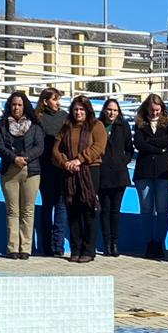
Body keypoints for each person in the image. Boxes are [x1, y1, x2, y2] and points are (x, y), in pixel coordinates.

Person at [52, 95, 107, 262]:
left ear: (87, 110)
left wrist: (80, 160)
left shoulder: (96, 125)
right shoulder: (66, 127)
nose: (78, 112)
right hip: (69, 172)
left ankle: (89, 250)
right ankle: (76, 249)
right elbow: (56, 150)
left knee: (88, 210)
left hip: (90, 171)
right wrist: (65, 162)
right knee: (73, 210)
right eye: (76, 109)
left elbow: (98, 146)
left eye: (82, 109)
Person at [0, 90, 44, 260]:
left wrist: (25, 158)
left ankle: (25, 249)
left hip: (31, 172)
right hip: (9, 171)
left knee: (28, 210)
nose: (16, 108)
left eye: (20, 105)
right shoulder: (2, 126)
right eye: (14, 104)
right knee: (12, 210)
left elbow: (39, 147)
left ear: (25, 106)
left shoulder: (35, 126)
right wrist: (14, 158)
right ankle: (12, 248)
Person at [132, 93, 168, 259]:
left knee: (162, 209)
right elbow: (139, 143)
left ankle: (159, 243)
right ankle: (149, 243)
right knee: (146, 209)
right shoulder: (140, 124)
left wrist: (150, 142)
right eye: (152, 110)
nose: (155, 113)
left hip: (163, 172)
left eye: (157, 110)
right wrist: (159, 149)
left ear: (162, 109)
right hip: (144, 171)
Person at [98, 98, 134, 257]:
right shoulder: (97, 125)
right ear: (104, 110)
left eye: (115, 110)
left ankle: (114, 242)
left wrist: (122, 162)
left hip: (119, 175)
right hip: (103, 174)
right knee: (105, 210)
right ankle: (106, 243)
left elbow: (129, 149)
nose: (111, 113)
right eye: (109, 109)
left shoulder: (123, 126)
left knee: (115, 210)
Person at [35, 87, 69, 257]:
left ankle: (58, 245)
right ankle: (46, 245)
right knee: (47, 205)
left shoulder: (64, 117)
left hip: (61, 167)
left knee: (61, 205)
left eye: (58, 99)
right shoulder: (38, 118)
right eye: (54, 99)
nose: (58, 103)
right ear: (45, 101)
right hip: (45, 168)